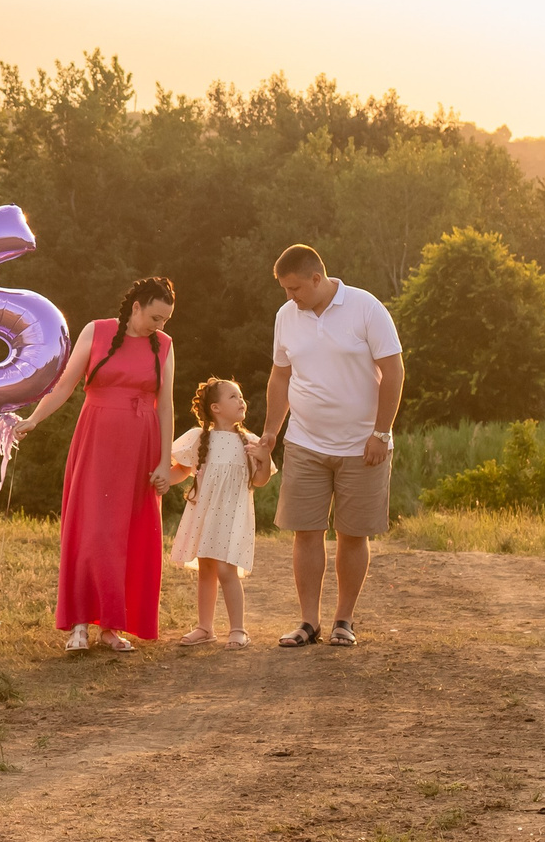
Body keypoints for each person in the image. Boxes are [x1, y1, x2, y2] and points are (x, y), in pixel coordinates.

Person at [11, 276, 177, 653]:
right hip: (97, 440)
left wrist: (165, 463)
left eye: (165, 320)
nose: (159, 326)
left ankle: (112, 626)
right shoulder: (97, 331)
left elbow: (166, 405)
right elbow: (65, 384)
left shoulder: (164, 346)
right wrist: (35, 419)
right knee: (93, 530)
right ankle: (80, 625)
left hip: (141, 447)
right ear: (136, 307)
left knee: (126, 534)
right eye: (155, 317)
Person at [258, 244, 404, 648]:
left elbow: (393, 372)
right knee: (306, 531)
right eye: (285, 290)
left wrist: (381, 433)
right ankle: (308, 622)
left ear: (317, 278)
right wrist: (271, 432)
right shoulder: (286, 318)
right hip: (305, 441)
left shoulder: (366, 307)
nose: (291, 297)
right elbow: (280, 378)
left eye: (295, 288)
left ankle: (344, 620)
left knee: (353, 534)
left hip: (363, 445)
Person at [168, 377, 271, 647]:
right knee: (206, 569)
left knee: (227, 570)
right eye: (234, 397)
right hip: (206, 513)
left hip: (234, 515)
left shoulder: (250, 441)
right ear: (215, 407)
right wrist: (164, 480)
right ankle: (205, 627)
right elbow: (181, 469)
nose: (242, 401)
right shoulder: (199, 438)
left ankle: (238, 628)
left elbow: (260, 481)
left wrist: (265, 457)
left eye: (241, 396)